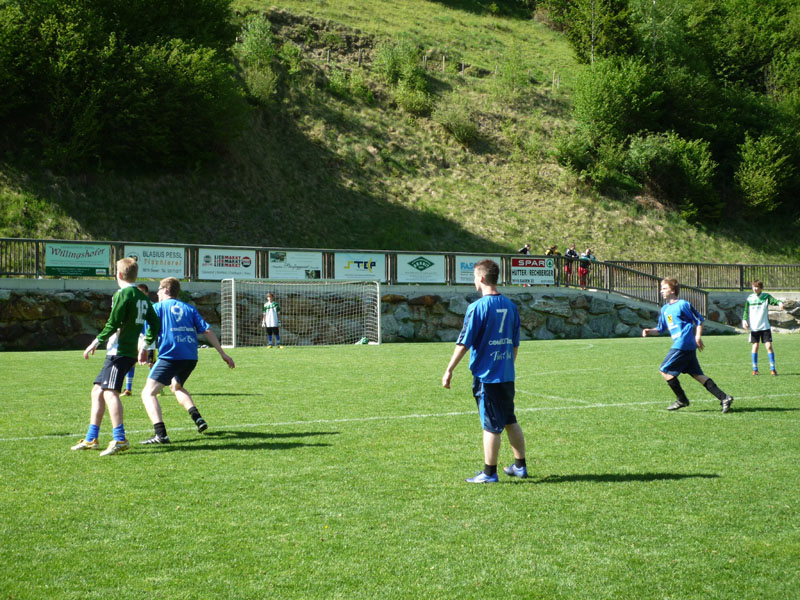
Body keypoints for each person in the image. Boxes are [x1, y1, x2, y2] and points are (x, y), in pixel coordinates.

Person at [442, 259, 527, 483]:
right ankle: (520, 466)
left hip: (487, 376)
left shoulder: (477, 308)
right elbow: (515, 343)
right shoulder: (511, 306)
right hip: (506, 374)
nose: (474, 281)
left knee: (491, 425)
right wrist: (507, 366)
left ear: (481, 278)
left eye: (474, 277)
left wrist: (449, 369)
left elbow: (464, 343)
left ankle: (489, 473)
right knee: (509, 419)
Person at [71, 258, 160, 456]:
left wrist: (95, 342)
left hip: (119, 351)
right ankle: (91, 438)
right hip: (125, 351)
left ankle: (120, 439)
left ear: (118, 274)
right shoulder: (143, 296)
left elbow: (113, 323)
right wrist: (146, 345)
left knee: (110, 392)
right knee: (97, 391)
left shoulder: (122, 294)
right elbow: (155, 323)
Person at [139, 277, 235, 444]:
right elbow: (207, 331)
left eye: (159, 289)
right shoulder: (189, 308)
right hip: (190, 357)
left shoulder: (157, 308)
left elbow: (150, 333)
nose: (157, 293)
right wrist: (223, 354)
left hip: (171, 356)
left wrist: (144, 350)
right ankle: (197, 418)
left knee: (148, 393)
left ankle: (160, 434)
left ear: (166, 290)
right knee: (176, 386)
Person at [642, 278, 734, 413]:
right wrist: (649, 331)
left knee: (664, 370)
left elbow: (699, 320)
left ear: (673, 290)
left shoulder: (683, 304)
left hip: (683, 343)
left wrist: (698, 337)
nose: (661, 291)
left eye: (664, 288)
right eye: (661, 289)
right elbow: (660, 329)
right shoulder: (665, 309)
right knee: (697, 375)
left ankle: (682, 399)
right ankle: (724, 397)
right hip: (685, 346)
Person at [742, 280, 785, 376]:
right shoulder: (750, 298)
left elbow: (775, 301)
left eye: (757, 287)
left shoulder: (766, 297)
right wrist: (744, 320)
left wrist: (780, 303)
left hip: (765, 326)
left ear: (761, 288)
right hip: (754, 327)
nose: (755, 288)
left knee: (769, 346)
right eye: (753, 286)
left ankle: (773, 369)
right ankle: (755, 369)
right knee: (755, 346)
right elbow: (746, 311)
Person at [121, 283, 155, 396]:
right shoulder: (134, 305)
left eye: (142, 292)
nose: (139, 294)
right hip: (136, 337)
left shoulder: (152, 305)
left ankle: (155, 388)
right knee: (131, 362)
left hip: (149, 337)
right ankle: (128, 389)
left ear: (147, 293)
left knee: (151, 363)